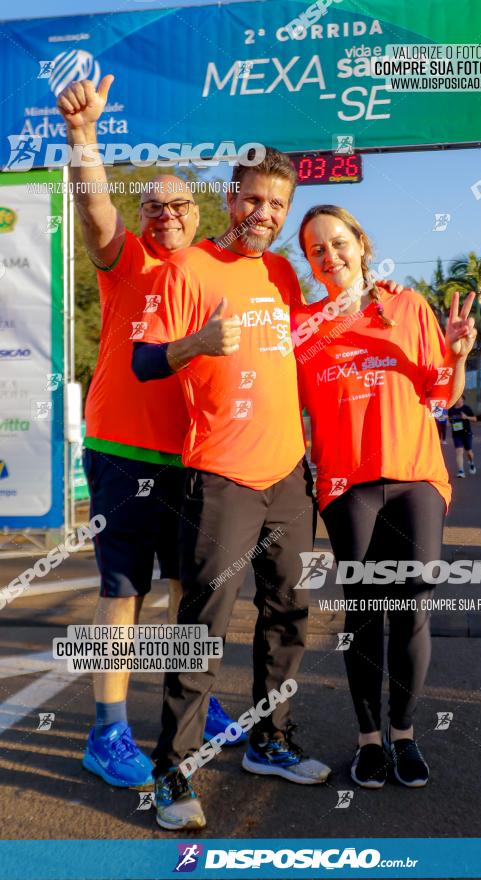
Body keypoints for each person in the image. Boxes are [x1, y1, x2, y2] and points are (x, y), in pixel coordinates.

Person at [133, 147, 334, 831]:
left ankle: (269, 740)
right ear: (231, 195)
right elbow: (143, 360)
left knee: (288, 613)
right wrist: (196, 343)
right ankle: (172, 772)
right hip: (218, 477)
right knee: (200, 628)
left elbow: (307, 356)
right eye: (253, 200)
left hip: (287, 476)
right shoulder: (185, 268)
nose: (264, 215)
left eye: (277, 205)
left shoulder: (281, 272)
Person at [56, 74, 241, 790]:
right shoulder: (127, 260)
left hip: (197, 457)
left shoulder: (212, 270)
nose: (165, 213)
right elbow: (96, 209)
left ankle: (194, 701)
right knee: (122, 590)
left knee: (192, 586)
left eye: (178, 204)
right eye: (154, 204)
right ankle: (106, 733)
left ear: (197, 216)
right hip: (124, 450)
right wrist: (82, 138)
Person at [293, 205, 477, 789]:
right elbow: (281, 402)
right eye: (317, 250)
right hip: (347, 485)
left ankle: (405, 734)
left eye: (339, 242)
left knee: (412, 608)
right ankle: (368, 741)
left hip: (417, 477)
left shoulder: (407, 305)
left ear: (361, 242)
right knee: (366, 612)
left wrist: (457, 354)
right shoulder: (303, 325)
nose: (330, 256)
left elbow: (442, 392)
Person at [448, 395, 477, 477]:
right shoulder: (451, 409)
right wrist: (448, 421)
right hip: (456, 434)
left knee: (469, 452)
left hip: (467, 433)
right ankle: (461, 471)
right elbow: (450, 420)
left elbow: (475, 419)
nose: (457, 400)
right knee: (459, 451)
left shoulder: (466, 408)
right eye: (456, 398)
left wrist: (466, 417)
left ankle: (471, 462)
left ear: (463, 400)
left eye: (459, 398)